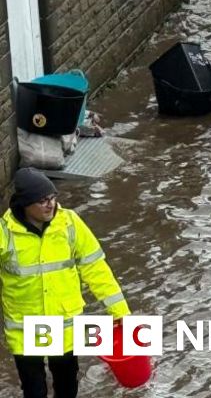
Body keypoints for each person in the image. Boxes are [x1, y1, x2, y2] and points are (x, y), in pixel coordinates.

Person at [0, 168, 131, 398]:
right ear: (24, 204)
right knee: (33, 390)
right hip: (25, 329)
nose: (50, 205)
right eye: (42, 201)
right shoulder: (5, 233)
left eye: (52, 198)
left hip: (64, 326)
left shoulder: (69, 223)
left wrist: (120, 312)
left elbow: (96, 268)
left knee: (67, 386)